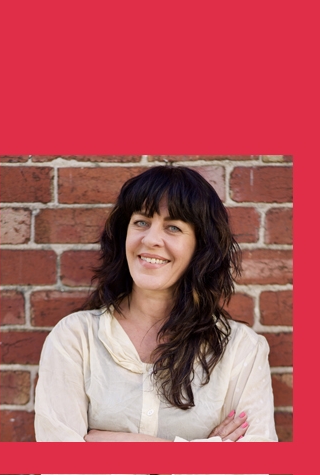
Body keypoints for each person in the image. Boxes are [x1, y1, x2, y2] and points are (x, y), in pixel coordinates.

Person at [34, 166, 276, 442]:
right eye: (141, 222)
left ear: (200, 247)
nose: (150, 239)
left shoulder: (241, 350)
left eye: (173, 227)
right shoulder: (75, 339)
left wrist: (106, 441)